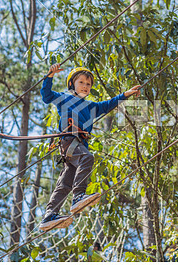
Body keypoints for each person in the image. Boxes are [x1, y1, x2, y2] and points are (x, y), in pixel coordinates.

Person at [39, 63, 140, 231]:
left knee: (65, 184)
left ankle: (49, 215)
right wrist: (50, 75)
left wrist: (126, 94)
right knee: (87, 157)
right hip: (69, 141)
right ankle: (78, 196)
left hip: (76, 146)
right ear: (72, 84)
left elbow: (109, 104)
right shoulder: (63, 98)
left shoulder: (91, 107)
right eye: (81, 82)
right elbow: (46, 95)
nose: (85, 87)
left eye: (88, 84)